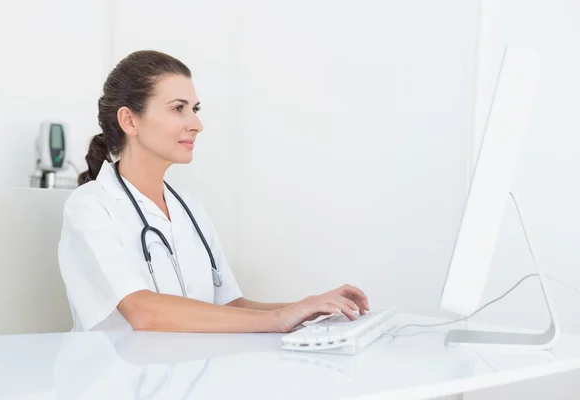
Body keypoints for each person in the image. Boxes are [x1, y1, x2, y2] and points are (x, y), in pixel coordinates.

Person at [58, 50, 369, 333]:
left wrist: (311, 307)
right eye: (178, 108)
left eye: (195, 109)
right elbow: (142, 311)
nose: (196, 124)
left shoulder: (189, 208)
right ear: (129, 120)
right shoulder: (91, 207)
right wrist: (279, 320)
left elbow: (230, 307)